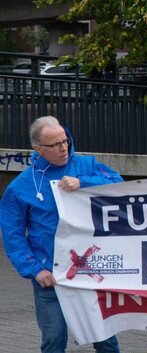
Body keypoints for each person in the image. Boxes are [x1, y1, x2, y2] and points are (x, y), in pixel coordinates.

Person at [1, 116, 123, 353]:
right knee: (54, 339)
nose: (64, 148)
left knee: (105, 338)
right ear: (38, 149)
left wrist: (83, 182)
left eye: (65, 141)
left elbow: (117, 184)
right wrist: (35, 270)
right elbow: (12, 235)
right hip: (51, 275)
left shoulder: (86, 165)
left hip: (90, 270)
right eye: (55, 144)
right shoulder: (21, 186)